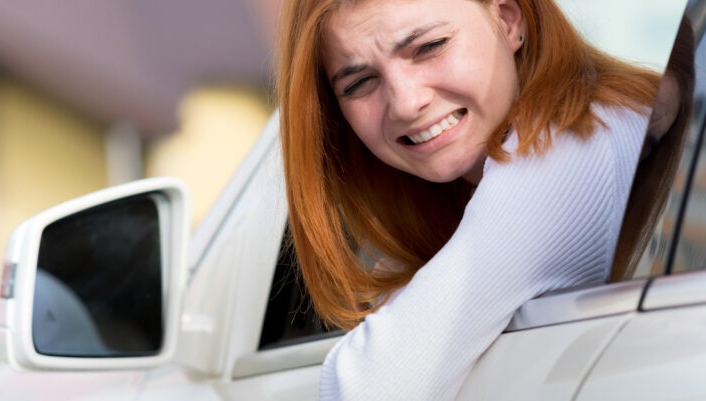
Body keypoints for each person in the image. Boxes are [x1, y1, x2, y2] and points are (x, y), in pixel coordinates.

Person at [276, 0, 664, 398]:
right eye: (359, 84)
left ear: (509, 18)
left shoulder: (577, 138)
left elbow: (371, 386)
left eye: (430, 46)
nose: (406, 103)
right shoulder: (462, 196)